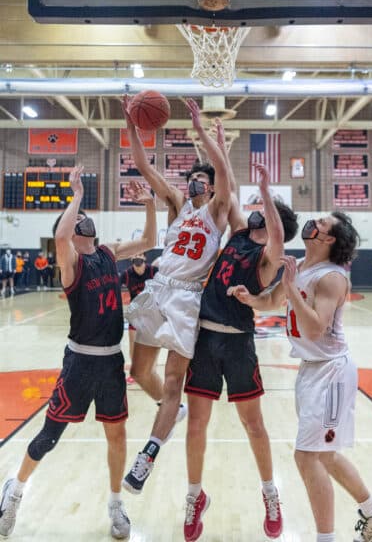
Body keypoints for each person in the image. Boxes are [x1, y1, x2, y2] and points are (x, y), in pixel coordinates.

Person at [0, 165, 157, 539]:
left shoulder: (108, 252)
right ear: (72, 231)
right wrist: (78, 195)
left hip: (111, 361)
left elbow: (150, 239)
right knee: (49, 436)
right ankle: (14, 491)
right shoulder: (71, 264)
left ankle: (115, 504)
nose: (84, 218)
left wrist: (150, 204)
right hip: (80, 362)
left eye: (84, 215)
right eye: (78, 218)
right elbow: (59, 235)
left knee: (117, 436)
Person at [231, 213, 372, 542]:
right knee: (324, 455)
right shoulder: (301, 266)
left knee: (306, 456)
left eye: (322, 222)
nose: (314, 222)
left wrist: (291, 288)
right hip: (310, 370)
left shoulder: (332, 277)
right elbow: (272, 300)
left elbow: (315, 328)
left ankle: (326, 537)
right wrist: (250, 299)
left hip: (331, 372)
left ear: (329, 239)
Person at [183, 162, 298, 541]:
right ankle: (194, 496)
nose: (255, 211)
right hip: (204, 339)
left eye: (263, 210)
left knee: (254, 425)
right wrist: (214, 140)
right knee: (196, 424)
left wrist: (266, 192)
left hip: (237, 343)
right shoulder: (238, 234)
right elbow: (227, 189)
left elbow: (277, 238)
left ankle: (270, 493)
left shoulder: (269, 258)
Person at [121, 97, 231, 496]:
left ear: (212, 186)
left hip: (187, 298)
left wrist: (202, 130)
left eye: (202, 178)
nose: (195, 181)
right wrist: (131, 123)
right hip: (158, 287)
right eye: (193, 178)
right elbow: (143, 165)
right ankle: (174, 413)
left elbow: (224, 172)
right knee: (139, 372)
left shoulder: (218, 212)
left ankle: (147, 455)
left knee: (172, 382)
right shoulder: (178, 205)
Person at [120, 253, 158, 384]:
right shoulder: (126, 274)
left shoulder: (153, 271)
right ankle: (135, 373)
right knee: (133, 343)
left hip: (151, 313)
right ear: (131, 258)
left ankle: (151, 371)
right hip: (135, 312)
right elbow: (114, 287)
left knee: (151, 344)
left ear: (145, 258)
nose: (137, 257)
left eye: (140, 254)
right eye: (135, 255)